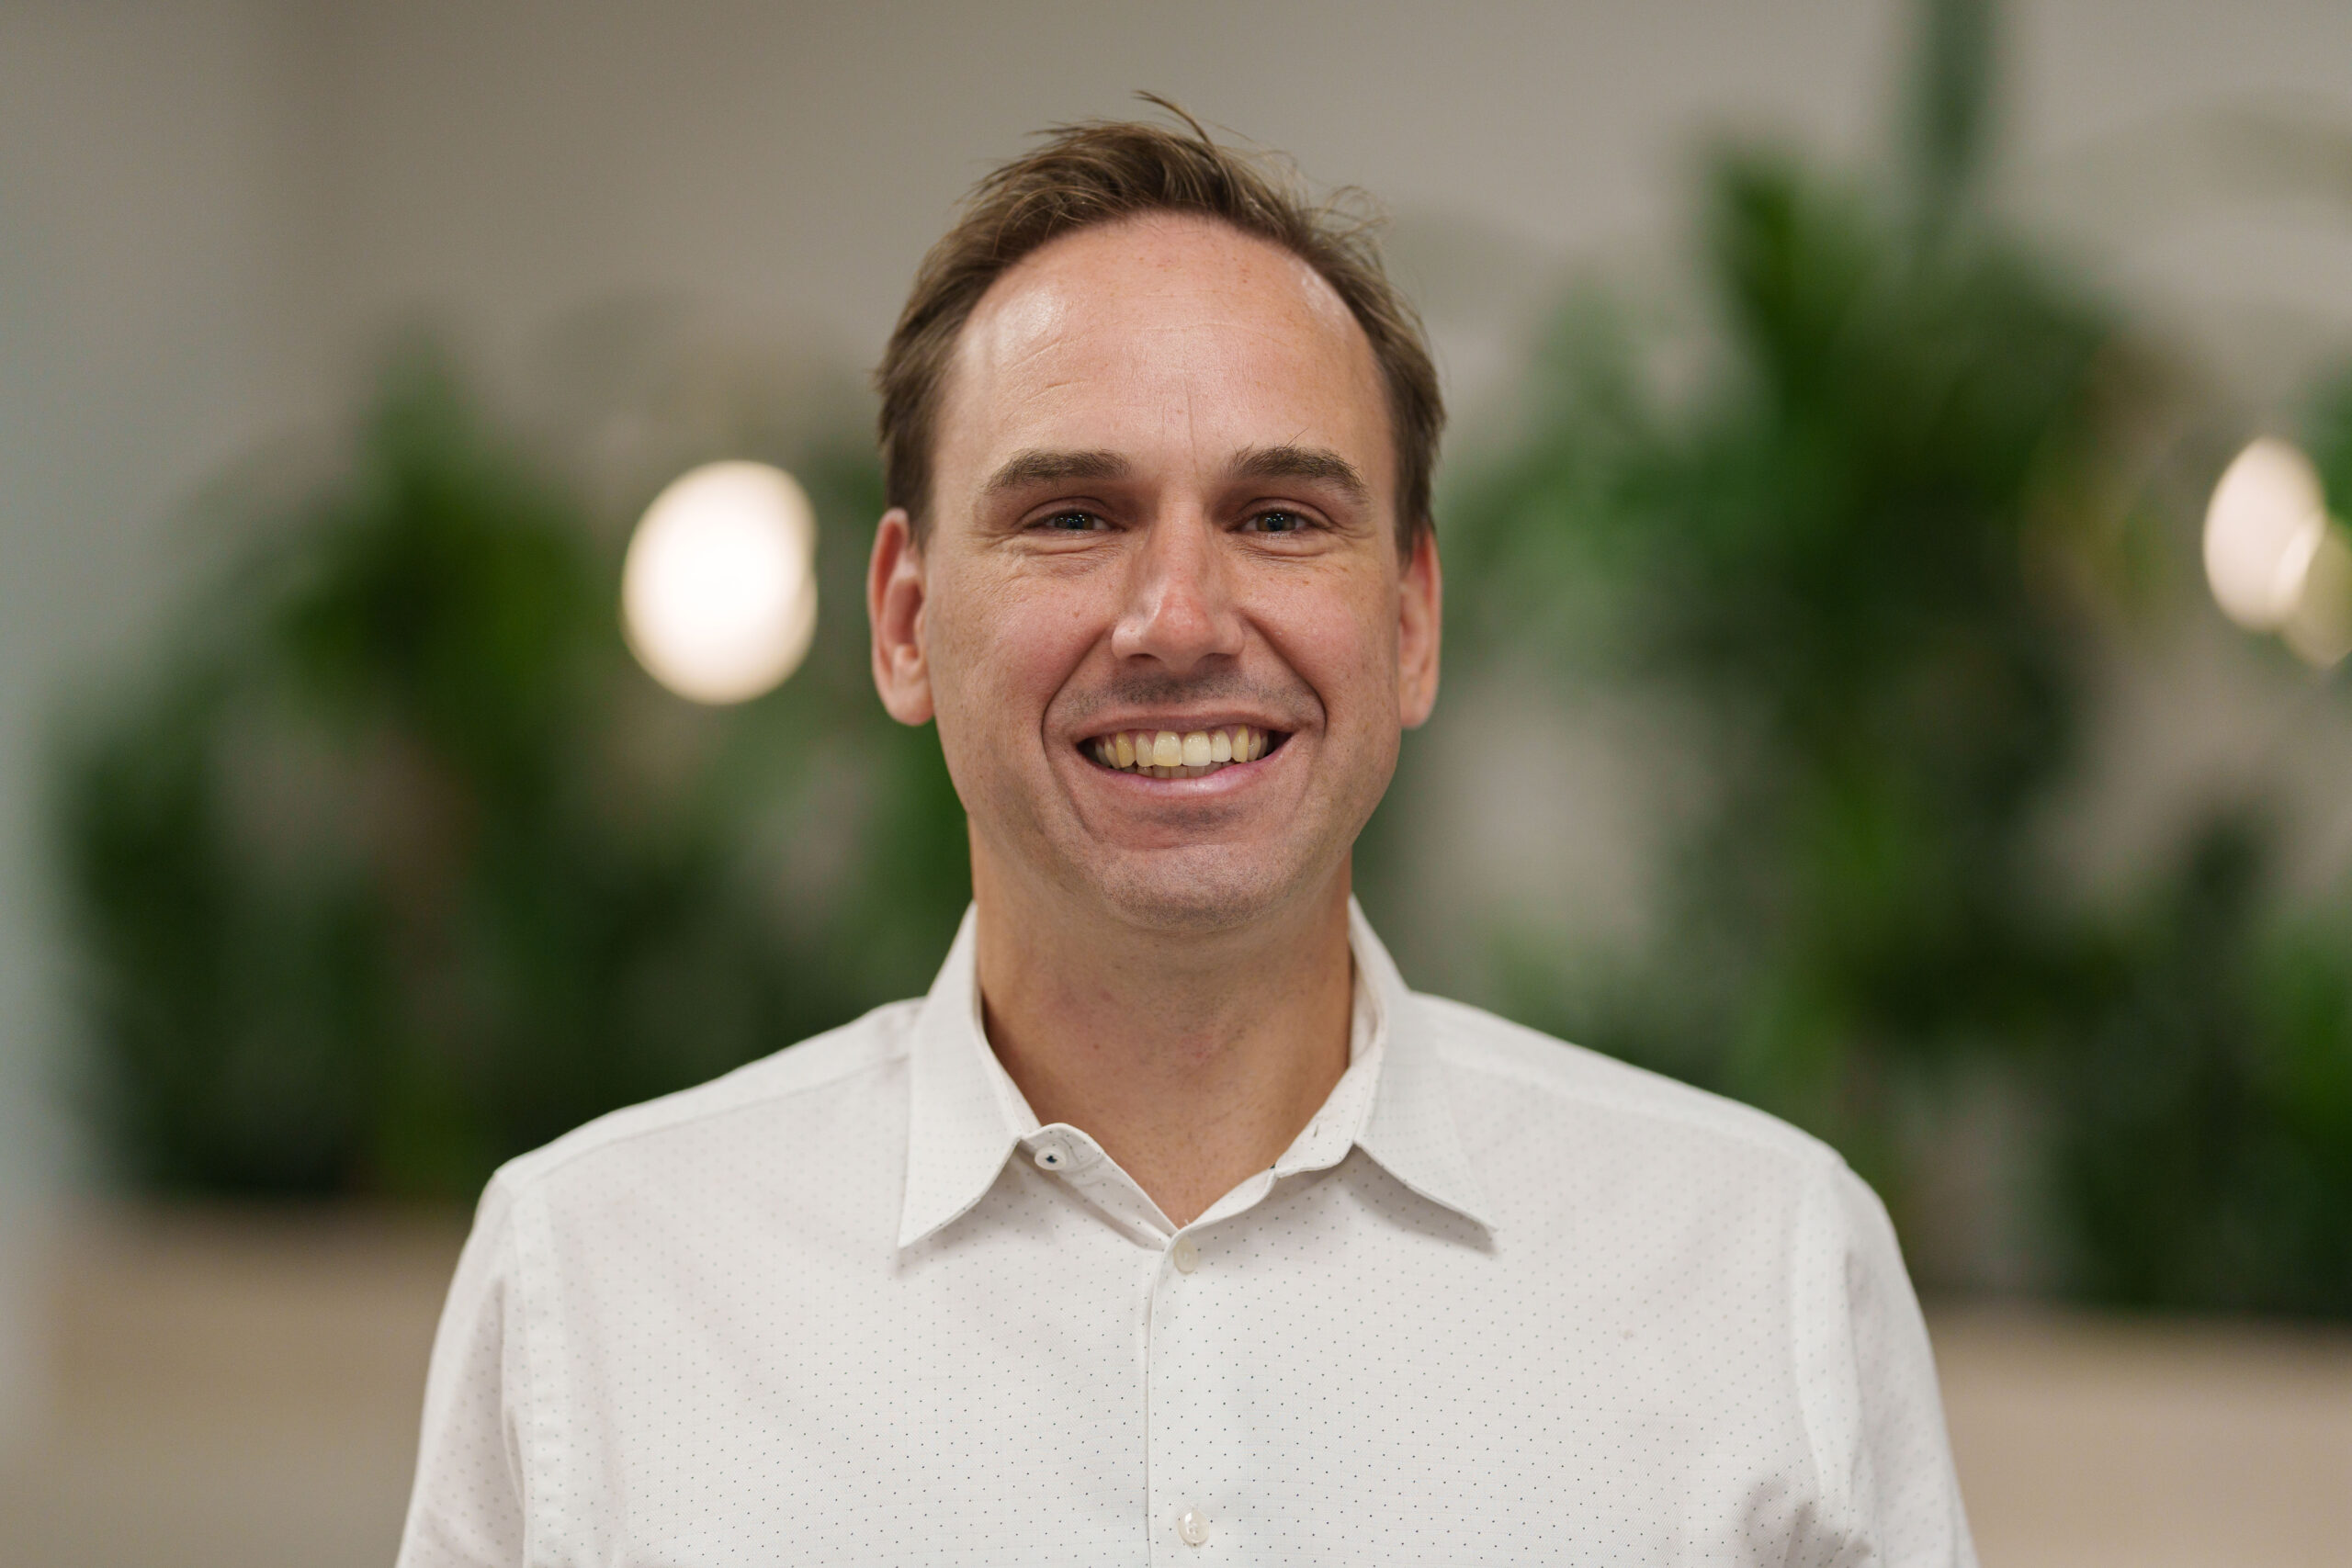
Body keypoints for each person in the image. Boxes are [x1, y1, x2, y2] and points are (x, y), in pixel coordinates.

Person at [398, 109, 1976, 1566]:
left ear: (1413, 621)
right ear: (902, 620)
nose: (1178, 618)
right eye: (1072, 516)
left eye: (1280, 517)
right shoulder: (593, 1280)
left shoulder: (1764, 1269)